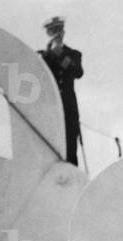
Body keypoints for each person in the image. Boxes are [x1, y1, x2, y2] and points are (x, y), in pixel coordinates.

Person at [38, 17, 83, 165]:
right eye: (53, 30)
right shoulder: (40, 57)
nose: (57, 33)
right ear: (48, 33)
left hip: (69, 110)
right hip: (50, 110)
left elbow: (78, 72)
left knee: (70, 151)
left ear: (63, 32)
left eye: (59, 30)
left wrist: (61, 55)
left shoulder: (74, 54)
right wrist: (50, 54)